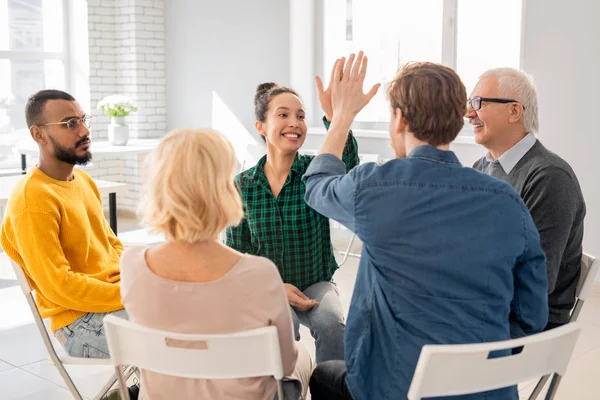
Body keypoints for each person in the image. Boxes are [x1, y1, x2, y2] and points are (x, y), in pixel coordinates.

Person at [303, 54, 548, 399]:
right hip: (486, 390)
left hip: (393, 389)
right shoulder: (507, 201)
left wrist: (341, 117)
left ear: (400, 119)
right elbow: (531, 316)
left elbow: (316, 185)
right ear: (458, 119)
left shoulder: (375, 188)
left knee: (324, 375)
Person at [120, 128, 312, 399]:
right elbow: (284, 363)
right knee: (302, 356)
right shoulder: (260, 274)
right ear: (222, 190)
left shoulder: (132, 265)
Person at [225, 76, 360, 363]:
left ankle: (330, 389)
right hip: (267, 285)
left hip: (315, 282)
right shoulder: (242, 186)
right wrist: (273, 286)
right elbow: (238, 255)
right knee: (281, 327)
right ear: (261, 126)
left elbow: (347, 164)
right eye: (283, 115)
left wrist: (335, 118)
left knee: (332, 326)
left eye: (300, 116)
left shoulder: (316, 171)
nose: (294, 123)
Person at [0, 89, 128, 359]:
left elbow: (111, 244)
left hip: (110, 302)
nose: (84, 131)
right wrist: (129, 294)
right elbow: (60, 285)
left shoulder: (83, 181)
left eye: (83, 120)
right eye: (70, 123)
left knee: (192, 313)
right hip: (78, 323)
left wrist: (142, 280)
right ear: (38, 134)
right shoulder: (32, 200)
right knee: (180, 337)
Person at [468, 68, 586, 330]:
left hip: (523, 323)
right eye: (468, 103)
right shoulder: (481, 167)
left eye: (478, 103)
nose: (468, 114)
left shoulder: (549, 177)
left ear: (514, 111)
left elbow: (535, 286)